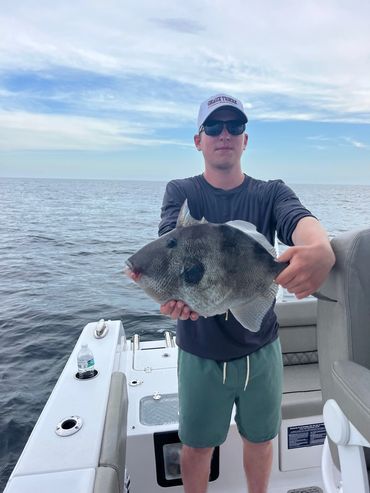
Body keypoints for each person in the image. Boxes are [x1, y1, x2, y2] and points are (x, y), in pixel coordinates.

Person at [158, 93, 335, 493]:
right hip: (200, 349)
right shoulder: (181, 191)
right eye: (214, 127)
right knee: (198, 446)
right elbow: (171, 244)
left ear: (245, 139)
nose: (225, 134)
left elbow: (298, 219)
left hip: (261, 346)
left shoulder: (270, 192)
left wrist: (320, 247)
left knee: (260, 439)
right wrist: (173, 293)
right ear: (198, 140)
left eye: (234, 126)